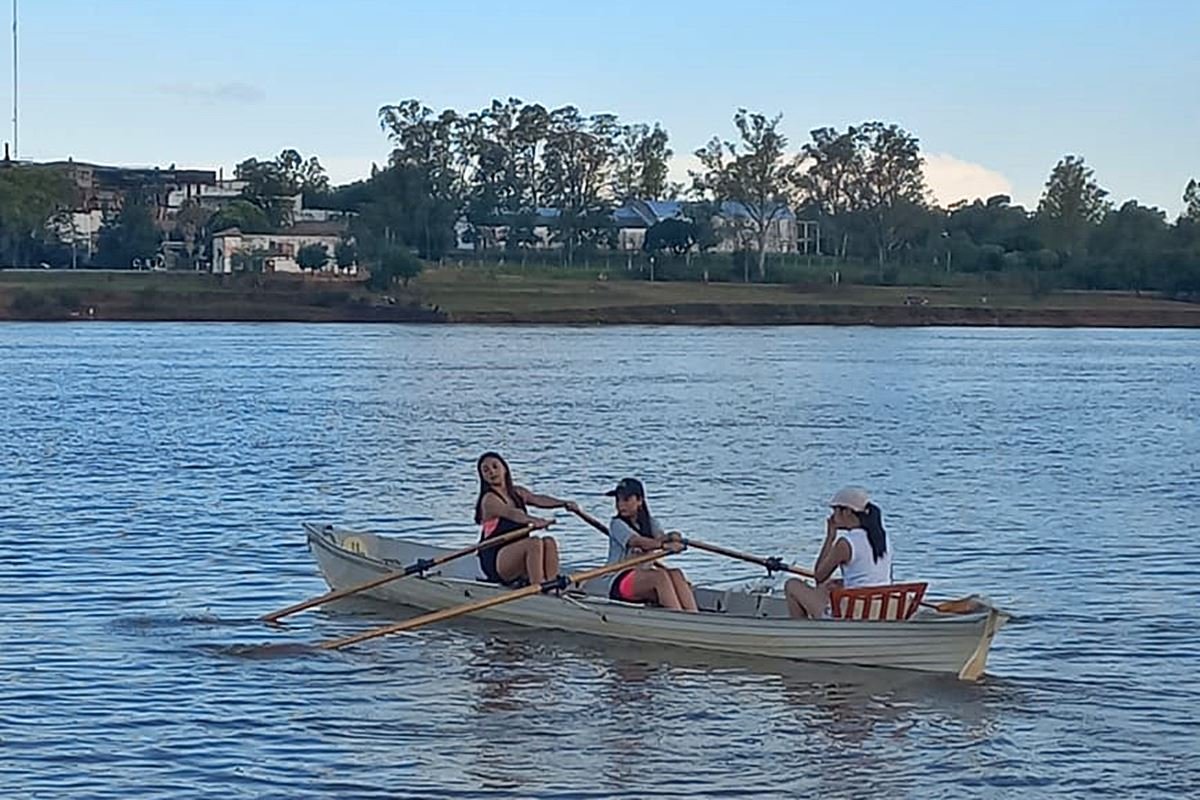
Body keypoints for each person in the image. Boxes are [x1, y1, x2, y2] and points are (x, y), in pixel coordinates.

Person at [785, 486, 894, 619]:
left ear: (847, 511)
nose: (832, 516)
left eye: (835, 510)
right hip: (881, 608)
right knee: (825, 587)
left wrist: (830, 537)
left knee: (792, 585)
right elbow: (872, 577)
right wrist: (842, 582)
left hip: (853, 613)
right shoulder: (883, 538)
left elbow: (819, 575)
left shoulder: (846, 543)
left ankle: (801, 629)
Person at [474, 451, 578, 586]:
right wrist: (534, 520)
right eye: (486, 470)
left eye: (495, 467)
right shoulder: (489, 500)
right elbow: (513, 514)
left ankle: (551, 585)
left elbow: (538, 499)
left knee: (549, 541)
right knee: (534, 543)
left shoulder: (517, 492)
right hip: (495, 559)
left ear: (504, 469)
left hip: (516, 552)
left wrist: (563, 503)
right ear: (482, 476)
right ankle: (537, 586)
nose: (492, 472)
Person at [601, 477, 698, 612]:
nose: (620, 505)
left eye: (626, 500)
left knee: (676, 574)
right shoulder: (616, 524)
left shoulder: (650, 523)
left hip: (641, 577)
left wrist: (673, 537)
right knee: (659, 576)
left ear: (640, 500)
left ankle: (693, 614)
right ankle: (678, 617)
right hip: (618, 581)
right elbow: (638, 541)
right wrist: (664, 546)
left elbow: (661, 538)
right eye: (618, 500)